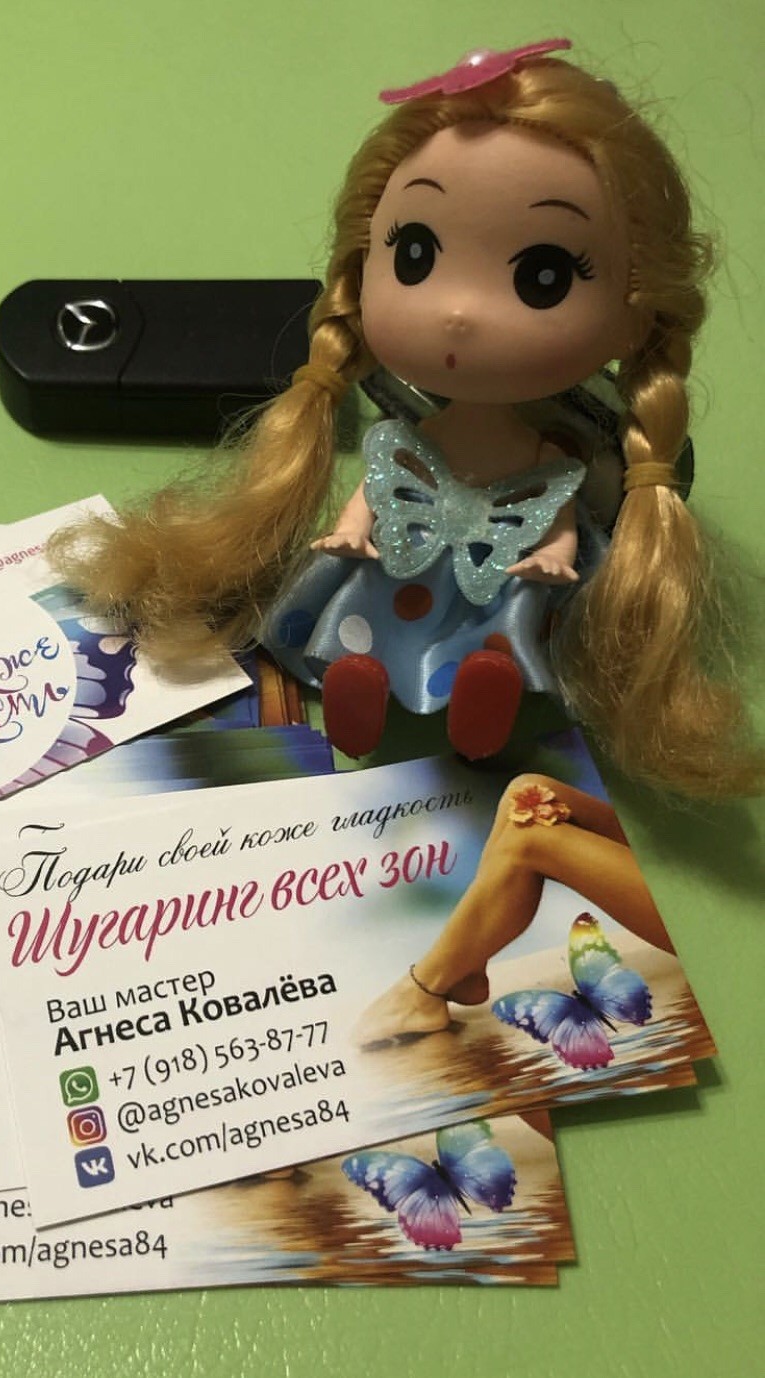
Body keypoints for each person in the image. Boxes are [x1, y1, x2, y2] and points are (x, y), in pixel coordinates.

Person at [49, 41, 761, 798]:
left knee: (503, 628)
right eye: (414, 255)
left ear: (635, 315)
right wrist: (351, 530)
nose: (457, 314)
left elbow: (550, 506)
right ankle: (357, 684)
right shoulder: (409, 433)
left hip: (503, 562)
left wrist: (555, 552)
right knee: (364, 612)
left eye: (542, 277)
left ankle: (483, 702)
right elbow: (383, 483)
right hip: (405, 547)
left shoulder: (557, 450)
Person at [350, 772, 673, 1044]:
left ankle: (421, 991)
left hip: (705, 917)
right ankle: (467, 969)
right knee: (527, 792)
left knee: (529, 840)